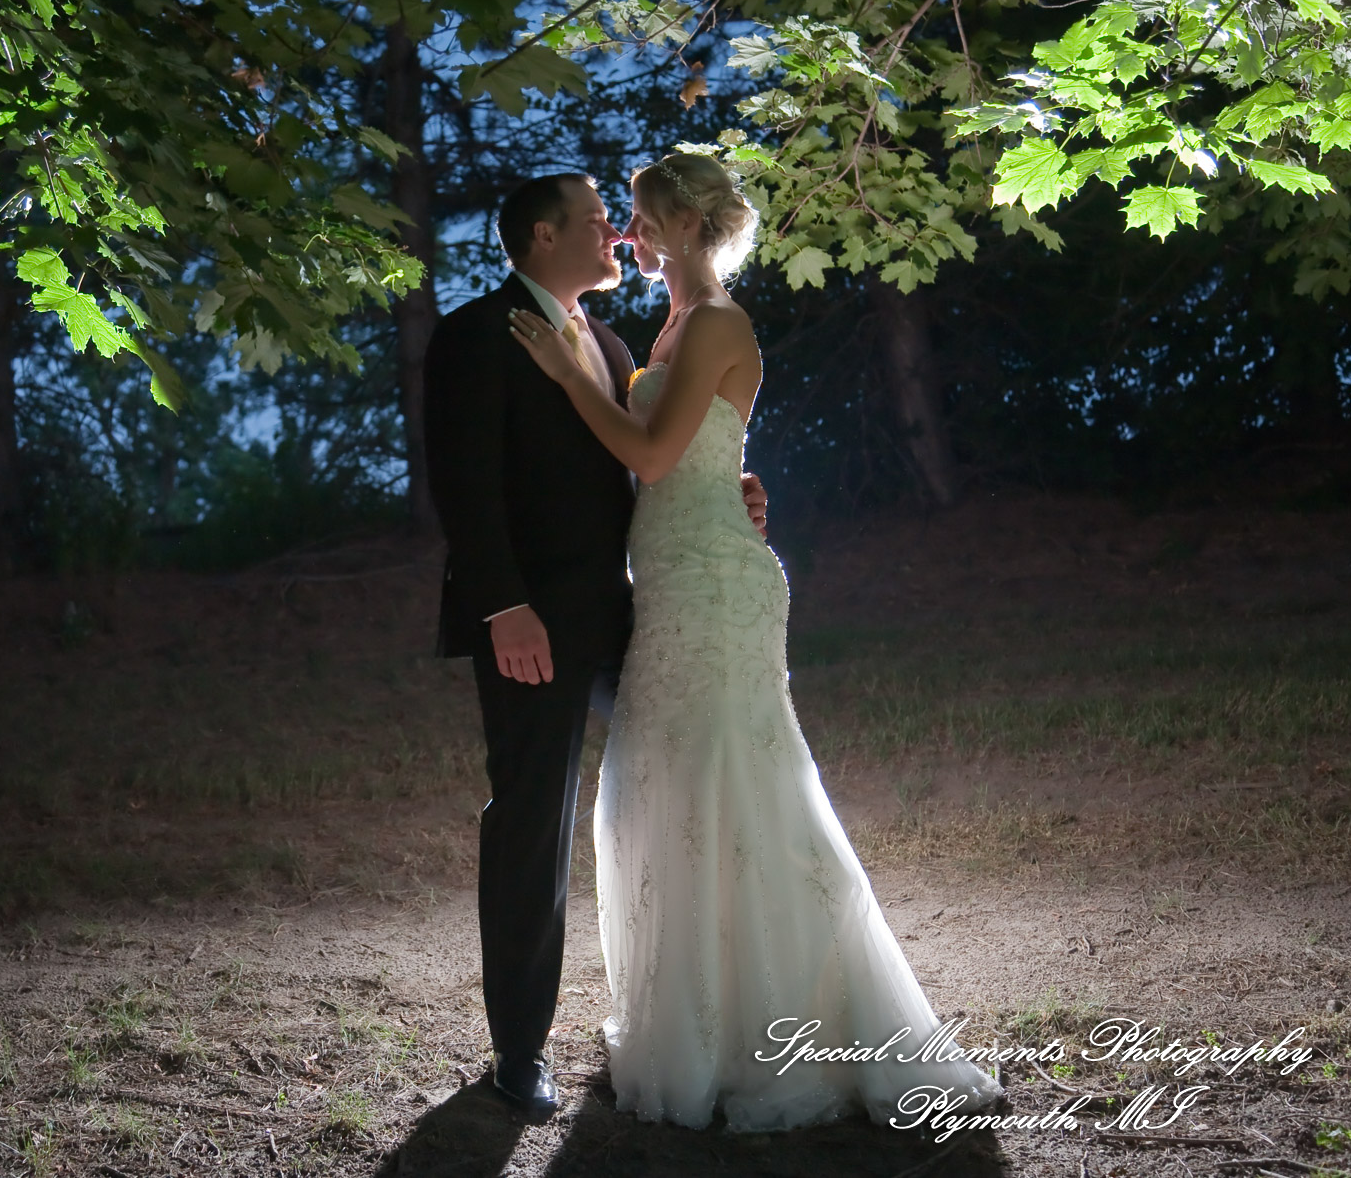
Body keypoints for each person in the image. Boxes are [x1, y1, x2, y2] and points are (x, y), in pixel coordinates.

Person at [508, 153, 1005, 1130]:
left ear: (688, 224)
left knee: (739, 798)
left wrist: (572, 376)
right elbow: (698, 456)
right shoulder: (678, 327)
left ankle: (788, 1039)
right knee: (662, 798)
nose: (629, 239)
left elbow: (651, 454)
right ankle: (701, 1026)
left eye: (643, 221)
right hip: (676, 586)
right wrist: (741, 483)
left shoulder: (723, 321)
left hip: (718, 592)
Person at [421, 172, 767, 1116]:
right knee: (533, 819)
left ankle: (717, 1005)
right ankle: (520, 1050)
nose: (615, 231)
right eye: (592, 220)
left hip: (636, 619)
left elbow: (644, 462)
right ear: (541, 236)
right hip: (531, 622)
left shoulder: (612, 343)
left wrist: (725, 491)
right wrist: (503, 607)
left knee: (686, 787)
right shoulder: (475, 335)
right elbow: (464, 484)